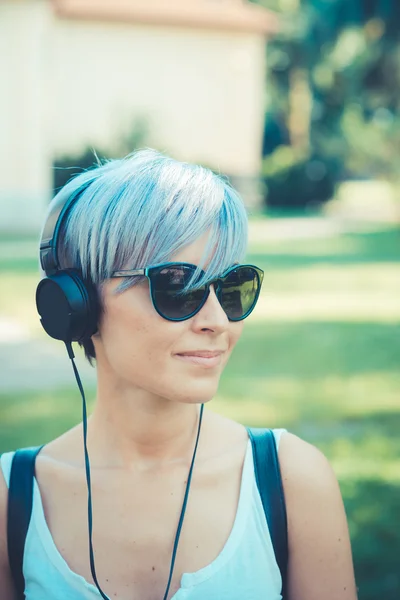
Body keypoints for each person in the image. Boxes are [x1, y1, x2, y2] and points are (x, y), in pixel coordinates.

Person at [0, 149, 357, 599]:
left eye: (231, 287)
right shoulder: (12, 499)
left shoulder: (291, 481)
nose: (218, 321)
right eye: (176, 286)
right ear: (75, 306)